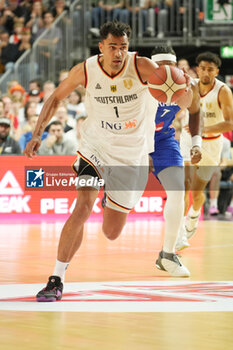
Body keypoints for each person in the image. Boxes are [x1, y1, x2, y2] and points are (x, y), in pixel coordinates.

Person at [24, 20, 190, 302]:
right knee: (83, 206)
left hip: (131, 155)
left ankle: (108, 199)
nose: (118, 53)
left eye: (123, 47)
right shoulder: (86, 70)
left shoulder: (143, 67)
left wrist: (179, 90)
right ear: (101, 46)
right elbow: (55, 98)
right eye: (112, 46)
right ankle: (56, 278)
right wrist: (37, 133)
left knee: (111, 232)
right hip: (95, 148)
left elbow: (184, 102)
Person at [149, 45, 202, 277]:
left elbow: (196, 111)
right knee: (118, 213)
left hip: (163, 140)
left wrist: (197, 141)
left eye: (170, 66)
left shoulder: (186, 85)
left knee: (177, 192)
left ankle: (168, 255)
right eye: (160, 66)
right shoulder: (140, 82)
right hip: (133, 140)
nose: (166, 70)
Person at [176, 52, 233, 250]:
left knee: (197, 191)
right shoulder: (189, 85)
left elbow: (229, 123)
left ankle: (195, 212)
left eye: (210, 69)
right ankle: (180, 233)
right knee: (184, 184)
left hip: (211, 144)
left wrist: (202, 129)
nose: (206, 72)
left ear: (216, 71)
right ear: (197, 69)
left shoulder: (223, 91)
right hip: (188, 139)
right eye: (202, 68)